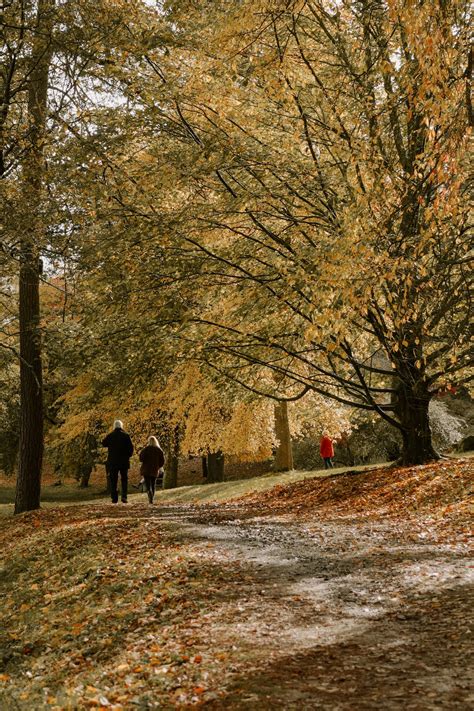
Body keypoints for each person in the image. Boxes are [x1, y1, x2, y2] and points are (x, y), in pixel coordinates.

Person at [102, 420, 134, 503]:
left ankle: (114, 497)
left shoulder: (110, 436)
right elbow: (131, 448)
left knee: (114, 479)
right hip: (124, 461)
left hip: (113, 462)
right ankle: (124, 496)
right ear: (121, 426)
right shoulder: (126, 436)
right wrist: (128, 455)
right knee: (124, 479)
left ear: (114, 426)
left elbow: (103, 443)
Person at [139, 436, 165, 504]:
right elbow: (162, 461)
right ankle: (152, 497)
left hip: (146, 469)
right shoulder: (159, 450)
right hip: (154, 469)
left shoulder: (145, 449)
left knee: (148, 484)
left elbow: (141, 459)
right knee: (153, 484)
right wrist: (158, 466)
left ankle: (149, 493)